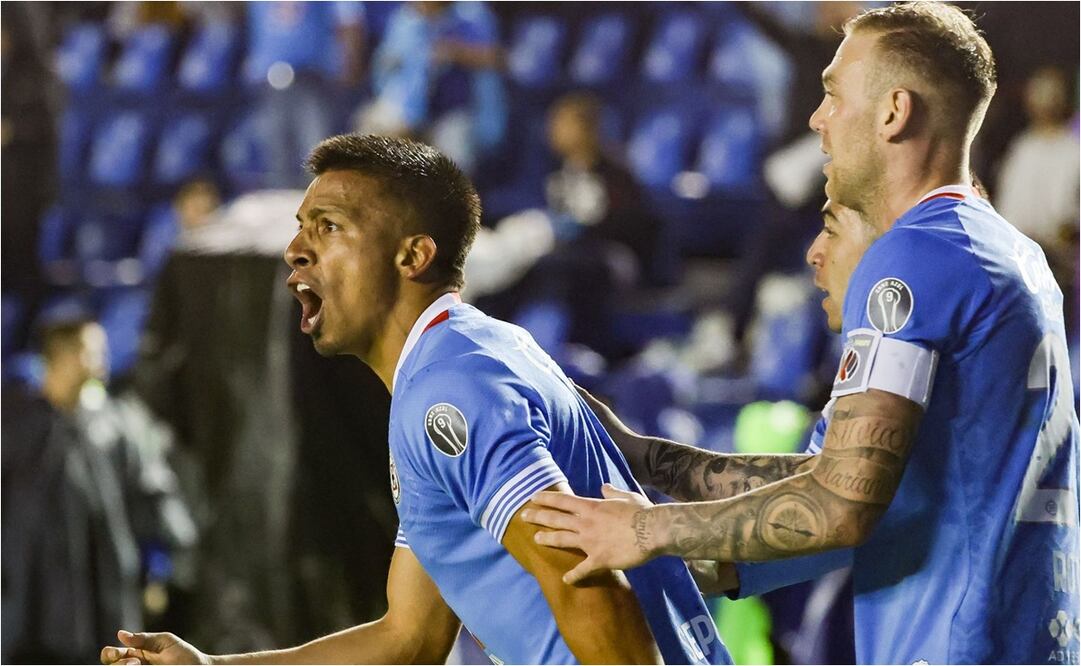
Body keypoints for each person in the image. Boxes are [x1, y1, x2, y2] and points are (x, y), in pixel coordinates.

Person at [522, 3, 1081, 664]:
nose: (817, 119)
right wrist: (646, 460)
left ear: (893, 112)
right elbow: (842, 488)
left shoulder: (914, 257)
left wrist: (646, 529)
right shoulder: (1004, 250)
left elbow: (838, 506)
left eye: (832, 95)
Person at [100, 134, 729, 665]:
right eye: (300, 227)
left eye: (329, 227)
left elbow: (591, 590)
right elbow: (410, 636)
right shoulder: (469, 355)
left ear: (412, 254)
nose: (296, 249)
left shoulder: (448, 390)